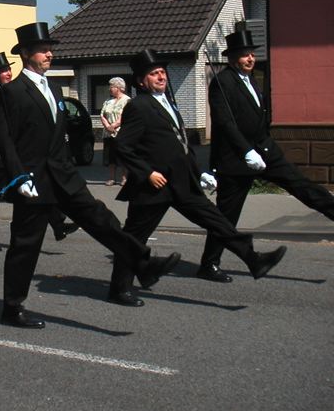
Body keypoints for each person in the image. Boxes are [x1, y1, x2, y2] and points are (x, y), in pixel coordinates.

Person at [0, 23, 182, 328]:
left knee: (101, 219)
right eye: (42, 50)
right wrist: (19, 178)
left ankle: (143, 264)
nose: (49, 54)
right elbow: (4, 139)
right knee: (25, 245)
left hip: (64, 175)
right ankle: (12, 307)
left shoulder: (53, 88)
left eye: (50, 49)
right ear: (26, 54)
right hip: (34, 180)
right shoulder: (11, 92)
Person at [108, 49, 288, 306]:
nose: (161, 77)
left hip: (183, 182)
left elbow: (180, 143)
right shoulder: (139, 105)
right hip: (154, 186)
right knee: (135, 238)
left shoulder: (168, 101)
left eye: (162, 72)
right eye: (153, 74)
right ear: (140, 81)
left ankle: (253, 259)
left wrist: (200, 171)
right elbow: (122, 147)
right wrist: (147, 172)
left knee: (217, 220)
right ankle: (118, 289)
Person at [199, 30, 334, 282]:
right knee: (227, 215)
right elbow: (225, 123)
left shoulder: (253, 79)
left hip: (265, 149)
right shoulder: (222, 83)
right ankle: (209, 264)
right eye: (244, 55)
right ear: (233, 58)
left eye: (252, 54)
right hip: (236, 159)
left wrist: (260, 148)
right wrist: (246, 151)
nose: (250, 59)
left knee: (299, 183)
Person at [0, 51, 78, 254]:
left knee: (40, 189)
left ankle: (58, 225)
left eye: (8, 69)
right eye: (2, 70)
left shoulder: (15, 91)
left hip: (19, 157)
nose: (7, 73)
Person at [100, 77, 130, 186]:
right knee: (110, 156)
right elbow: (102, 114)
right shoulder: (108, 101)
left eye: (112, 86)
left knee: (122, 155)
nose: (110, 89)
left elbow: (125, 116)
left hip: (121, 132)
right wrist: (108, 126)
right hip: (108, 133)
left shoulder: (127, 100)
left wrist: (114, 125)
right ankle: (112, 178)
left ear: (119, 88)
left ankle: (124, 178)